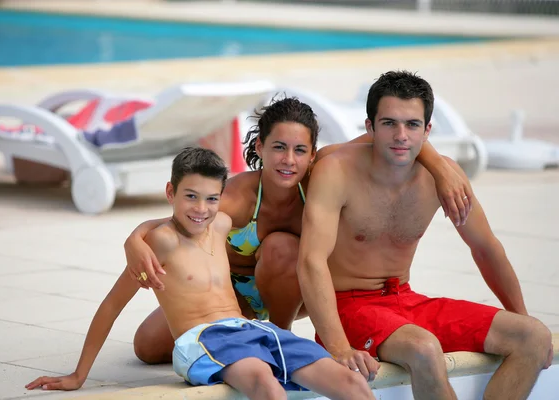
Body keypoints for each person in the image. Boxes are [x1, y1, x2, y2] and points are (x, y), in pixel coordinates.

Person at [125, 96, 474, 366]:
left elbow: (387, 134)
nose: (288, 159)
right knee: (146, 349)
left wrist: (439, 167)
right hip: (234, 298)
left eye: (299, 150)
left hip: (296, 293)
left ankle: (280, 339)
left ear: (312, 154)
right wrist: (135, 238)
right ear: (260, 148)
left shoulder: (321, 173)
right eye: (278, 147)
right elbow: (181, 220)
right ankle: (255, 330)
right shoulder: (238, 196)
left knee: (281, 247)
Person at [24, 147, 375, 400]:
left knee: (352, 385)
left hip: (254, 330)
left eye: (211, 199)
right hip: (206, 339)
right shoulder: (160, 243)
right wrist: (78, 374)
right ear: (170, 193)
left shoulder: (221, 224)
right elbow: (112, 306)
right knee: (266, 387)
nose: (200, 209)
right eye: (190, 196)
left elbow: (332, 155)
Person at [296, 70, 553, 400]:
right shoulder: (338, 169)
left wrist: (520, 314)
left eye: (412, 125)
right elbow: (311, 261)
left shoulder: (443, 178)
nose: (401, 135)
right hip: (350, 307)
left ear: (427, 131)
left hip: (406, 299)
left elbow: (486, 248)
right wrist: (338, 347)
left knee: (533, 337)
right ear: (370, 127)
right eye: (389, 123)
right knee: (424, 348)